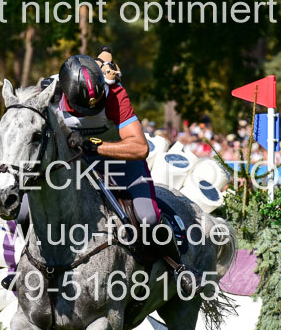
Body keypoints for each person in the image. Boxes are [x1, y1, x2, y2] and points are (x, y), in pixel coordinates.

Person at [56, 54, 189, 281]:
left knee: (147, 217)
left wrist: (93, 146)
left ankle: (178, 268)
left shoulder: (115, 94)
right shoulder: (50, 93)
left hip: (122, 163)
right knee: (25, 210)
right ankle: (23, 266)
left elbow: (139, 148)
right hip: (73, 165)